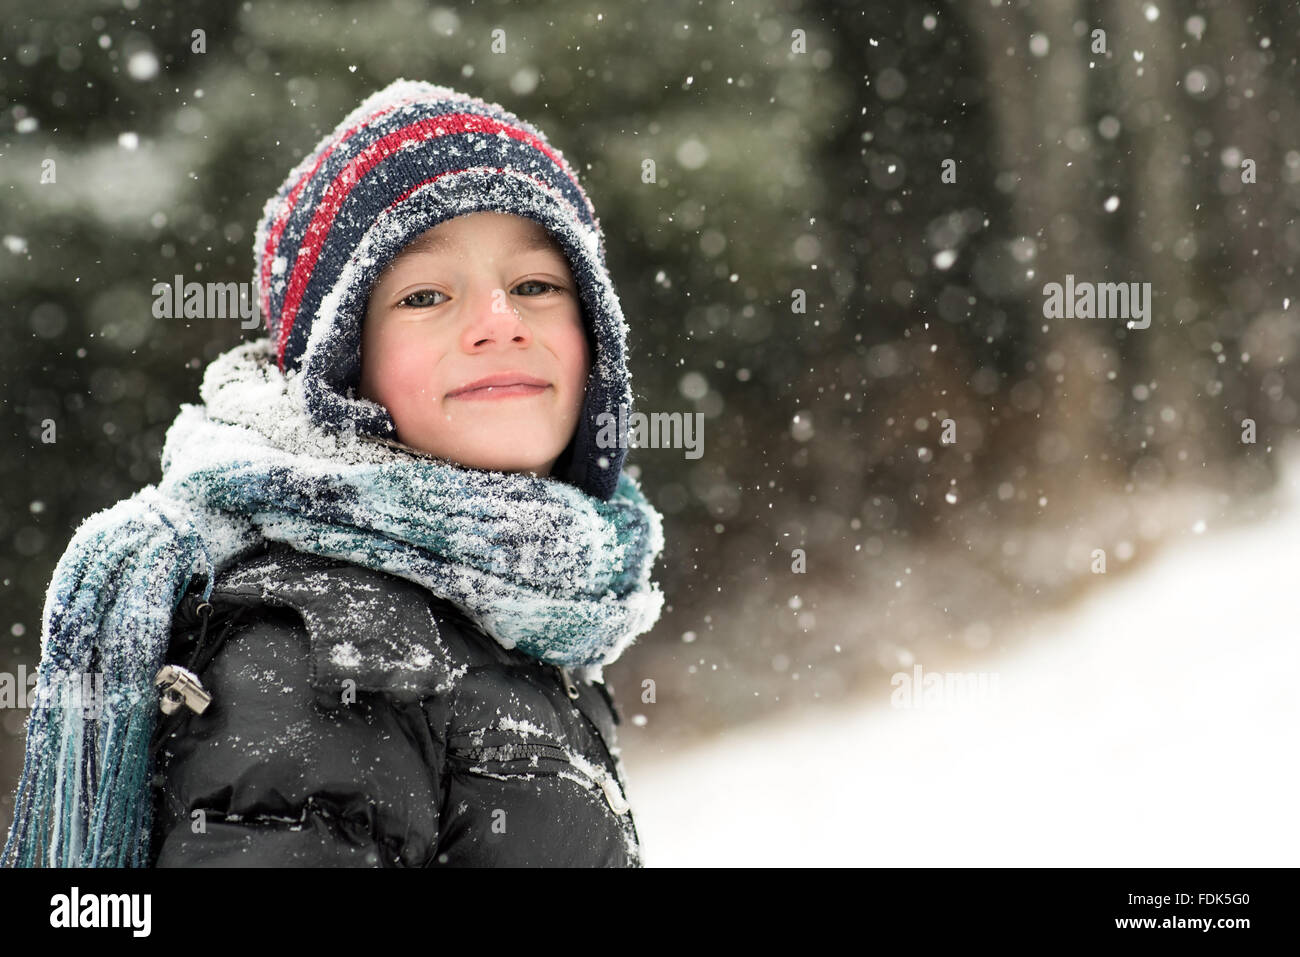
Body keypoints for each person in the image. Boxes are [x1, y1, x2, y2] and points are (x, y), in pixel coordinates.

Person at [1, 79, 665, 868]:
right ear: (341, 362)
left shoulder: (515, 614)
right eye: (424, 295)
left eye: (535, 285)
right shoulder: (332, 653)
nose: (499, 321)